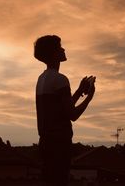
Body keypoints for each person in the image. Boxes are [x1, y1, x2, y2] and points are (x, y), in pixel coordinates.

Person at [34, 35, 96, 186]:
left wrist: (79, 91)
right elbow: (72, 115)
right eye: (60, 47)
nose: (63, 49)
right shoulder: (60, 79)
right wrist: (89, 97)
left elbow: (62, 108)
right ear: (54, 53)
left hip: (46, 143)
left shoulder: (42, 78)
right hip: (59, 144)